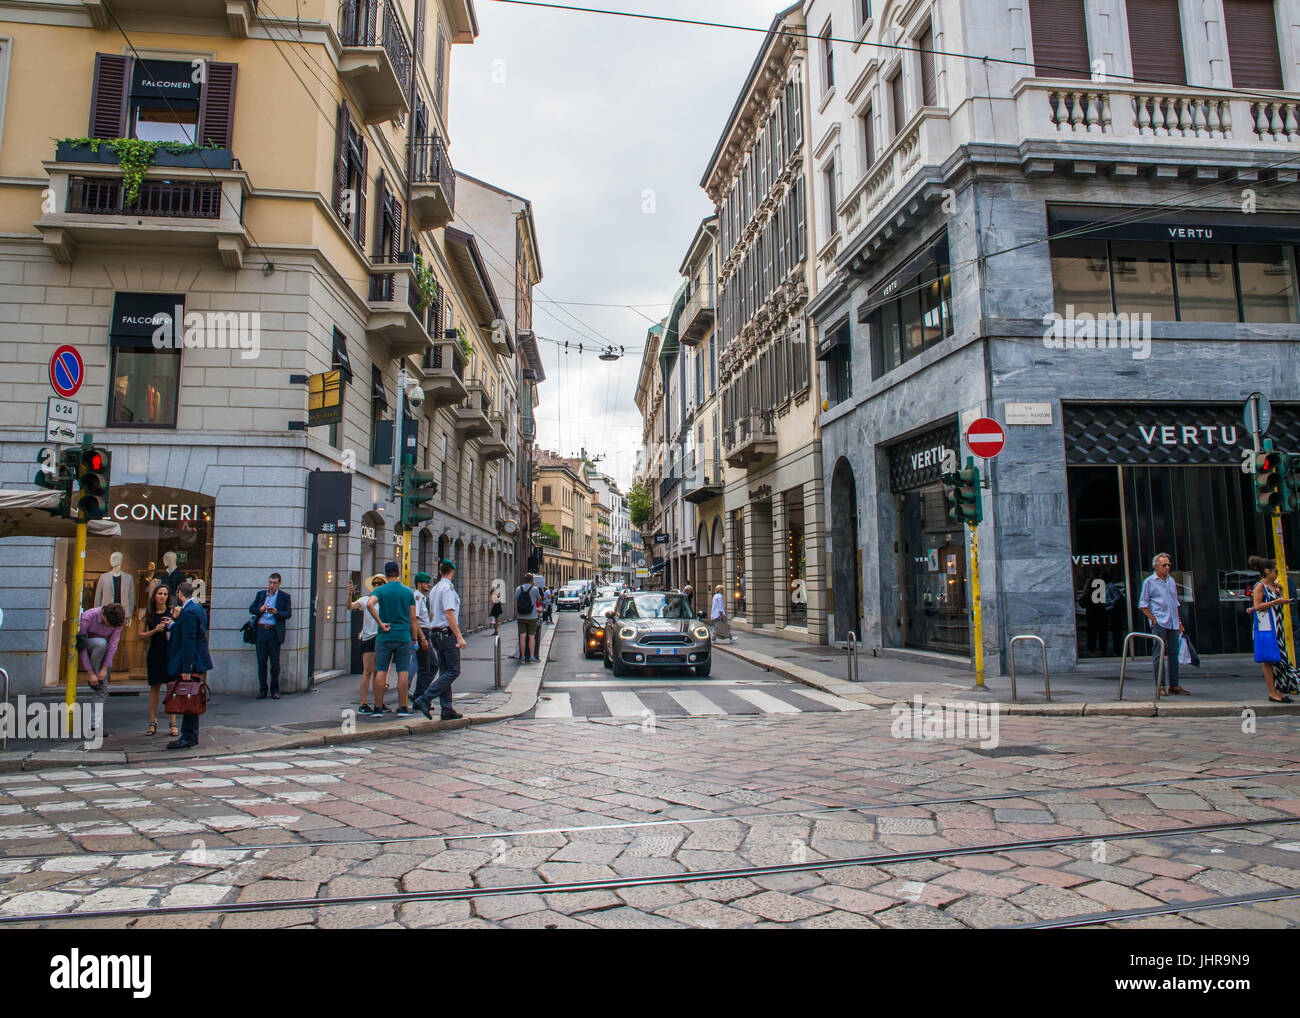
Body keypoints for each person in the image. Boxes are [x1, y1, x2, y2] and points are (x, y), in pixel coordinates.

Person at [415, 560, 467, 721]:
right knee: (453, 670)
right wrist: (458, 636)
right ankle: (425, 698)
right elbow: (449, 613)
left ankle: (446, 708)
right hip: (446, 633)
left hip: (435, 633)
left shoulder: (435, 589)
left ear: (439, 571)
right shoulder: (448, 589)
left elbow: (431, 614)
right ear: (452, 571)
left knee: (445, 671)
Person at [371, 561, 422, 717]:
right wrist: (414, 637)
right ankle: (402, 707)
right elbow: (413, 618)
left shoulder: (380, 590)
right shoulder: (407, 592)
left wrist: (380, 622)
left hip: (384, 635)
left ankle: (378, 708)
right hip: (403, 635)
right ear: (398, 573)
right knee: (403, 671)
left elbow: (369, 604)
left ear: (386, 575)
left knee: (381, 670)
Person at [1246, 555, 1300, 703]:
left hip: (1277, 627)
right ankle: (1273, 692)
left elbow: (1278, 605)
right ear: (1267, 571)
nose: (1276, 574)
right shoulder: (1260, 586)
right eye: (1275, 571)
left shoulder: (1273, 586)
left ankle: (1279, 690)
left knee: (1278, 658)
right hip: (1267, 628)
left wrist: (1280, 593)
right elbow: (1257, 606)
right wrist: (1277, 600)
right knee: (1269, 659)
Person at [166, 581, 212, 750]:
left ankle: (189, 735)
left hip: (191, 662)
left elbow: (189, 640)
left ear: (179, 593)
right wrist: (173, 625)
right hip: (195, 660)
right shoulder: (197, 608)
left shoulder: (188, 612)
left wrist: (187, 668)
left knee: (189, 696)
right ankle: (190, 734)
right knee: (191, 696)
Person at [1138, 552, 1188, 695]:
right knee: (1158, 654)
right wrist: (1153, 619)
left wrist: (1178, 621)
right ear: (1156, 567)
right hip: (1160, 621)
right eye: (1164, 565)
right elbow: (1143, 604)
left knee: (1173, 653)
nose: (1167, 568)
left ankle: (1174, 685)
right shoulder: (1149, 582)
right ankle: (1160, 685)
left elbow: (1174, 603)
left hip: (1172, 621)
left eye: (1168, 565)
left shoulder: (1171, 581)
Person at [139, 581, 179, 738]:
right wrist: (154, 630)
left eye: (165, 594)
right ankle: (152, 721)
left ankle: (173, 722)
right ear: (154, 596)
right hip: (155, 651)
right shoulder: (147, 614)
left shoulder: (174, 611)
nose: (162, 596)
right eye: (159, 594)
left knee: (172, 687)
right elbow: (139, 635)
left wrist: (172, 625)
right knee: (154, 687)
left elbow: (181, 629)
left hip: (170, 652)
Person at [79, 602, 126, 732]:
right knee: (101, 643)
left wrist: (104, 668)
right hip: (91, 648)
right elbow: (81, 646)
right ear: (103, 615)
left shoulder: (118, 621)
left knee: (102, 689)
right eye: (107, 624)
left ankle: (94, 724)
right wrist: (90, 672)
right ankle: (95, 679)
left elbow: (113, 645)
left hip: (104, 655)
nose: (109, 627)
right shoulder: (88, 617)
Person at [249, 573, 292, 700]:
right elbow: (251, 609)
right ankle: (263, 689)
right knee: (261, 662)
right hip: (261, 630)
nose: (272, 585)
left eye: (274, 583)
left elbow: (288, 614)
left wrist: (276, 612)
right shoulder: (261, 595)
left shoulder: (284, 597)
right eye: (270, 582)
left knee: (275, 663)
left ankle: (275, 690)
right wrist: (260, 609)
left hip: (274, 632)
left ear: (279, 584)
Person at [349, 574, 386, 715]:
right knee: (368, 670)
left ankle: (379, 702)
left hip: (382, 637)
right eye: (375, 583)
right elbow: (350, 606)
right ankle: (363, 703)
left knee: (379, 671)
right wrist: (349, 595)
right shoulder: (365, 600)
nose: (377, 585)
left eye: (380, 583)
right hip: (369, 638)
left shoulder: (385, 601)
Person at [412, 572, 439, 703]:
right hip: (422, 634)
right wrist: (422, 638)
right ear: (419, 583)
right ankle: (420, 697)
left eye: (429, 582)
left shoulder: (423, 598)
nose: (429, 584)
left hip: (426, 633)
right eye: (426, 582)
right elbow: (414, 619)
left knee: (432, 665)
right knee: (426, 667)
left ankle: (421, 695)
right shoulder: (417, 597)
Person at [514, 572, 541, 664]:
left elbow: (515, 601)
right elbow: (539, 599)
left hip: (521, 616)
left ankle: (522, 656)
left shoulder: (518, 589)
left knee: (522, 636)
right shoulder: (534, 589)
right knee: (531, 636)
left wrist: (517, 613)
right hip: (532, 617)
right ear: (532, 580)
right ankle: (532, 656)